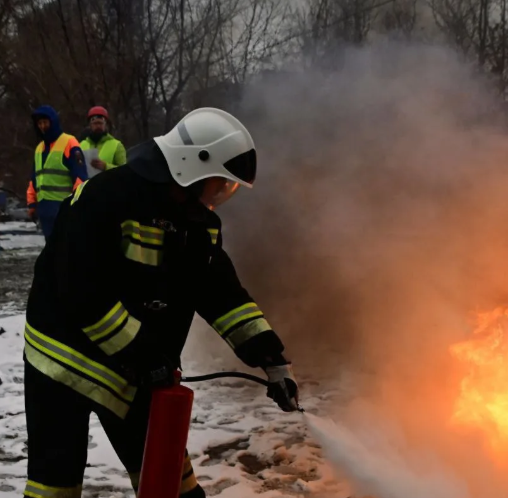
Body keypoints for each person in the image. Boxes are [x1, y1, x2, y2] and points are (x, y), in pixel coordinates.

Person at [22, 107, 300, 498]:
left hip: (135, 371)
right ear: (191, 166)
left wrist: (271, 359)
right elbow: (82, 293)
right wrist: (145, 356)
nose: (219, 195)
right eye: (218, 183)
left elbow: (222, 294)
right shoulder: (106, 198)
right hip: (63, 362)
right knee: (54, 488)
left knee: (171, 485)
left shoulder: (196, 223)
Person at [27, 105, 88, 241]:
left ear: (53, 121)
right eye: (39, 123)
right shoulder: (39, 148)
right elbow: (34, 179)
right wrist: (32, 204)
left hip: (64, 209)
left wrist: (76, 204)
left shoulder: (69, 142)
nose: (42, 126)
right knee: (52, 248)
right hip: (45, 210)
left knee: (67, 247)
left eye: (45, 122)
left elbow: (80, 177)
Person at [79, 106, 127, 173]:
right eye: (95, 123)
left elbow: (125, 171)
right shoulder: (82, 145)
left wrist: (105, 166)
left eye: (101, 123)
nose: (98, 126)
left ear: (105, 125)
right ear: (90, 125)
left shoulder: (117, 145)